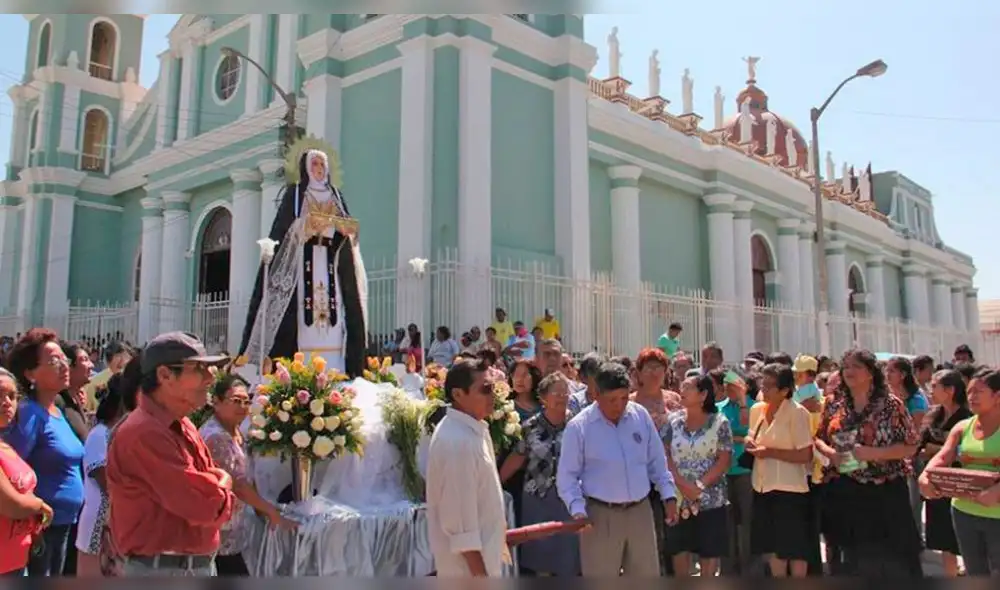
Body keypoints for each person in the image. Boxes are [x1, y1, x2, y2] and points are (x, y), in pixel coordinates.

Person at [106, 332, 234, 577]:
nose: (210, 378)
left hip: (188, 566)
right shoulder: (143, 432)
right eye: (198, 369)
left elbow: (207, 497)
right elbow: (202, 506)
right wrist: (225, 483)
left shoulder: (181, 423)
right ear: (164, 375)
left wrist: (216, 488)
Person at [238, 146, 368, 378]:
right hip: (304, 265)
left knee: (335, 317)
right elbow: (284, 230)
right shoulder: (297, 194)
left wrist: (344, 228)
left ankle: (335, 371)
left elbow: (350, 232)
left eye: (322, 165)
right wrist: (306, 224)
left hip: (330, 265)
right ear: (306, 168)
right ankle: (302, 373)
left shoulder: (336, 195)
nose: (319, 169)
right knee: (301, 316)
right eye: (314, 164)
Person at [556, 362, 678, 576]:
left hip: (640, 512)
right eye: (612, 400)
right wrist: (577, 509)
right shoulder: (579, 428)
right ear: (595, 394)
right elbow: (567, 476)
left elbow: (657, 461)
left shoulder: (640, 416)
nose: (619, 405)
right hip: (600, 516)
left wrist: (669, 495)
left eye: (623, 398)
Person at [814, 349, 923, 577]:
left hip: (885, 492)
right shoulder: (834, 404)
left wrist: (872, 453)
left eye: (856, 367)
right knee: (850, 558)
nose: (849, 371)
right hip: (845, 488)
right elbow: (818, 438)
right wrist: (832, 454)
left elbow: (911, 445)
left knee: (890, 560)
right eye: (846, 367)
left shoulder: (891, 405)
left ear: (871, 372)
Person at [3, 329, 85, 576]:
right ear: (30, 373)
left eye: (65, 359)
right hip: (40, 529)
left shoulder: (57, 412)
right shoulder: (29, 414)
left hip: (64, 523)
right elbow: (10, 466)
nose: (64, 366)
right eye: (53, 361)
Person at [199, 373, 296, 576]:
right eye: (235, 400)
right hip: (218, 531)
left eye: (246, 401)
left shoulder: (235, 432)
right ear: (215, 402)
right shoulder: (216, 436)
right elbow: (239, 485)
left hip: (233, 530)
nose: (242, 406)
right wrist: (270, 511)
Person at [425, 358, 509, 577]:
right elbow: (462, 531)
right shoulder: (457, 443)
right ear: (458, 395)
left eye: (493, 388)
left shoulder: (472, 430)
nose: (493, 395)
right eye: (485, 389)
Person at [920, 368, 1000, 576]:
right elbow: (942, 457)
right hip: (964, 513)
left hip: (997, 516)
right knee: (976, 574)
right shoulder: (962, 428)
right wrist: (926, 476)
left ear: (997, 396)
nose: (971, 397)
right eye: (969, 391)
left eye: (978, 392)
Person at [499, 372, 579, 576]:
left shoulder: (578, 425)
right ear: (543, 398)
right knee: (540, 560)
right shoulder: (530, 427)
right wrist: (496, 483)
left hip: (569, 499)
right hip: (537, 498)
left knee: (568, 560)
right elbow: (517, 458)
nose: (562, 396)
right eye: (556, 393)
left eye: (565, 392)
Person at [745, 363, 814, 578]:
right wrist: (750, 442)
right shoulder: (757, 409)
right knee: (772, 546)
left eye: (769, 386)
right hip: (762, 486)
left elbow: (805, 455)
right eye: (762, 384)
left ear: (785, 390)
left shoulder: (797, 413)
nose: (763, 389)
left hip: (790, 490)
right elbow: (752, 436)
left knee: (794, 548)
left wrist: (770, 452)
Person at [662, 373, 732, 577]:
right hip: (678, 497)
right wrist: (681, 483)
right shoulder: (672, 421)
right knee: (679, 547)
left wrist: (699, 486)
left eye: (688, 387)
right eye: (681, 386)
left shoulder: (720, 422)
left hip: (710, 498)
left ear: (703, 395)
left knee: (709, 551)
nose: (681, 391)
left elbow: (724, 460)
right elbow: (664, 453)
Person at [0, 367, 53, 577]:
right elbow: (11, 505)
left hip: (16, 559)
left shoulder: (6, 446)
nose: (7, 402)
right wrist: (40, 507)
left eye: (12, 396)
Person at [916, 369, 969, 577]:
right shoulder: (933, 415)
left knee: (965, 539)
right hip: (937, 484)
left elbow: (968, 453)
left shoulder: (967, 418)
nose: (930, 390)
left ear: (950, 390)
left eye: (935, 386)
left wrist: (936, 450)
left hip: (961, 485)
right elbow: (920, 446)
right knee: (945, 541)